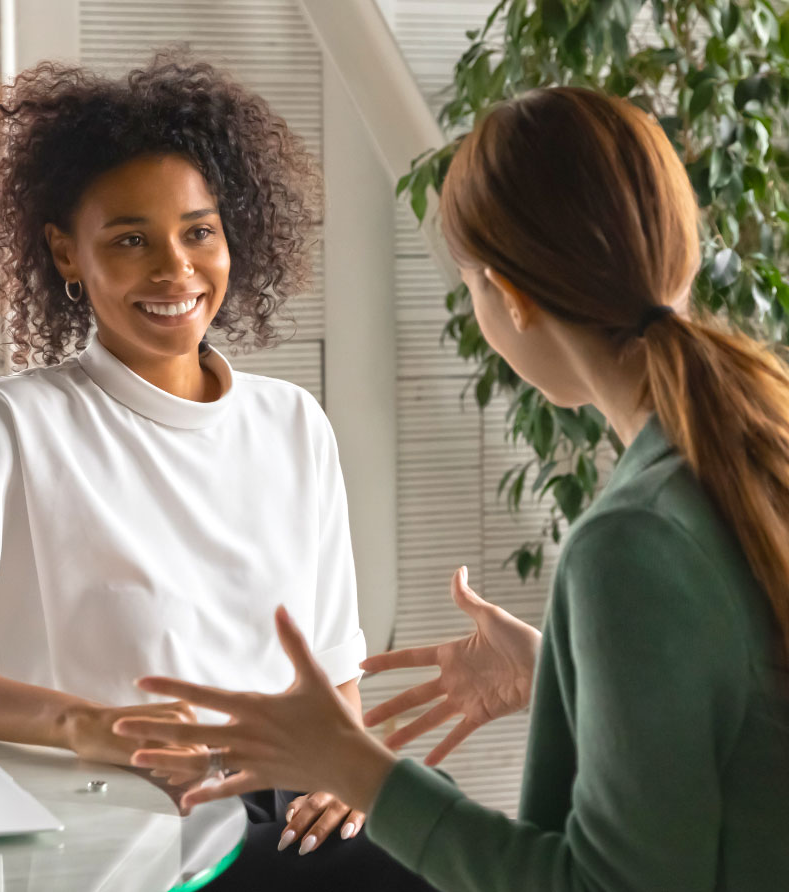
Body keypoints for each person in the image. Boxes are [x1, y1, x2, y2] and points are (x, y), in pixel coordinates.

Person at [111, 86, 789, 890]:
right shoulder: (752, 450)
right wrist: (567, 674)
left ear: (510, 297)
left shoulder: (631, 541)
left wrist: (361, 771)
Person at [0, 51, 433, 888]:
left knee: (432, 831)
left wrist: (349, 779)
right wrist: (91, 723)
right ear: (66, 255)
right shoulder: (17, 424)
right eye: (131, 240)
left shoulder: (294, 424)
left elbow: (332, 684)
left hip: (272, 818)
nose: (175, 270)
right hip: (114, 832)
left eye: (198, 232)